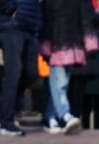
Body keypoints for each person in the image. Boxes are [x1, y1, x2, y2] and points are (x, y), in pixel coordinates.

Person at [0, 0, 42, 136]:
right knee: (13, 72)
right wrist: (11, 10)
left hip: (30, 26)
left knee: (31, 74)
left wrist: (39, 22)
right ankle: (6, 122)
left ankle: (0, 102)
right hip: (10, 25)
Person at [39, 0, 94, 133]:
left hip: (69, 40)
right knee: (60, 81)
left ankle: (50, 116)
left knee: (63, 81)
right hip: (58, 40)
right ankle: (64, 114)